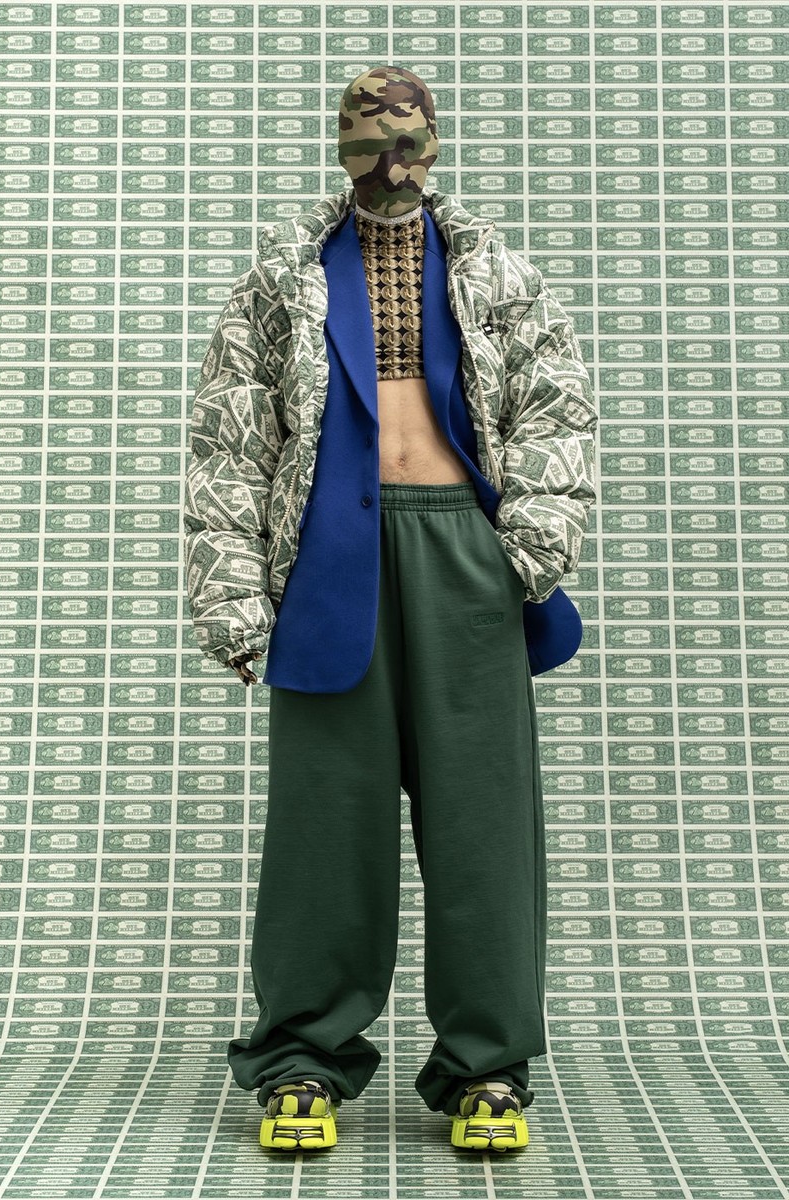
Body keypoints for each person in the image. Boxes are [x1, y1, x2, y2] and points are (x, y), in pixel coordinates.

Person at [183, 65, 597, 1153]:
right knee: (323, 827)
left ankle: (486, 1067)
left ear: (435, 146)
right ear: (341, 149)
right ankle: (301, 1061)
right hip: (328, 562)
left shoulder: (495, 267)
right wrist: (232, 598)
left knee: (484, 826)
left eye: (409, 145)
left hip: (465, 555)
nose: (391, 167)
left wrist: (525, 551)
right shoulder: (281, 275)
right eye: (369, 146)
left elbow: (555, 407)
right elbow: (229, 443)